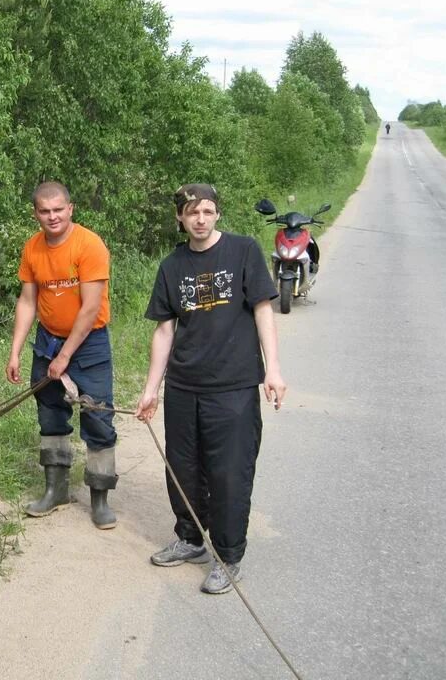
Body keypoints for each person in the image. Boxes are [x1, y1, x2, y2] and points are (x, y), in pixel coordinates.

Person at [135, 183, 286, 594]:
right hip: (185, 386)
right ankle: (190, 539)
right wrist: (152, 388)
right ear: (180, 219)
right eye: (191, 212)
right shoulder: (171, 266)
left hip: (233, 387)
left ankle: (228, 555)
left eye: (207, 211)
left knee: (229, 473)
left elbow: (262, 309)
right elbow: (165, 330)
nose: (200, 219)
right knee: (182, 469)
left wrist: (272, 369)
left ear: (217, 213)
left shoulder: (243, 251)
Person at [6, 181, 118, 530]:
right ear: (36, 213)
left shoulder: (89, 245)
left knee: (98, 416)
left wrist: (65, 357)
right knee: (51, 416)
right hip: (47, 341)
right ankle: (56, 490)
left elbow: (90, 309)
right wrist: (15, 352)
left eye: (58, 209)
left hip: (89, 344)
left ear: (71, 208)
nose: (52, 216)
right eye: (45, 210)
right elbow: (27, 301)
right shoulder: (32, 248)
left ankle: (100, 499)